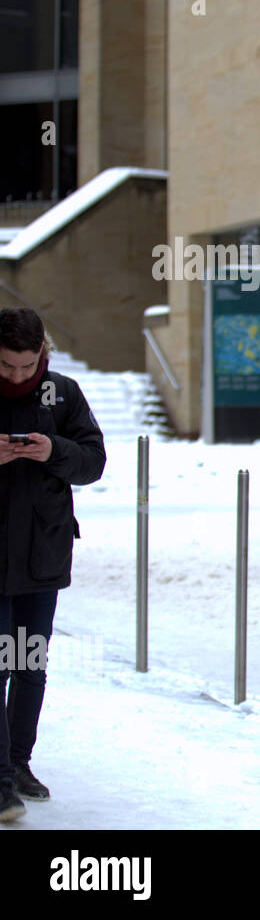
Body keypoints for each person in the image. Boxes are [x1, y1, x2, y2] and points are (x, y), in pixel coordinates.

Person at [0, 308, 106, 822]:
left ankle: (17, 763)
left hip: (43, 553)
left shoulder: (61, 394)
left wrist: (52, 450)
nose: (18, 377)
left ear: (41, 354)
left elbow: (93, 461)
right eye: (7, 367)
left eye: (26, 366)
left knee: (28, 665)